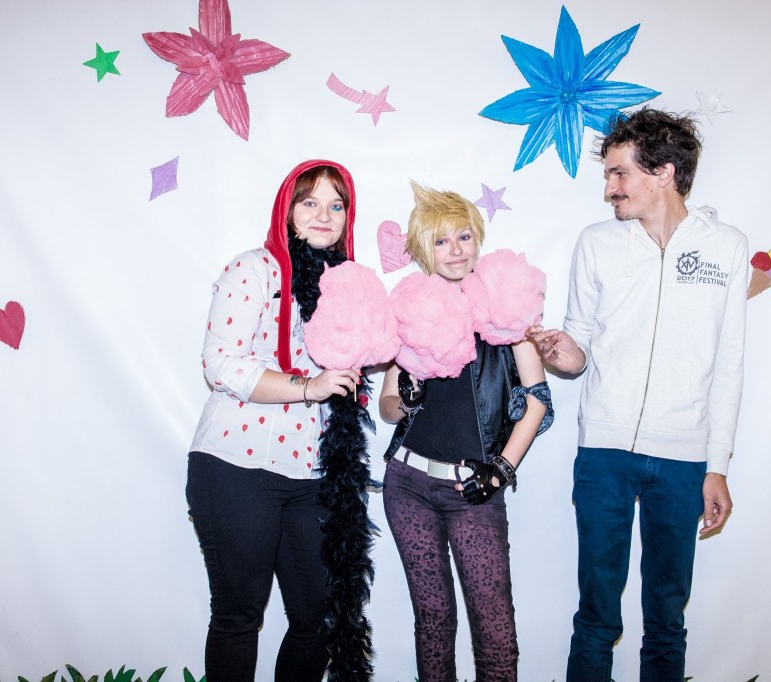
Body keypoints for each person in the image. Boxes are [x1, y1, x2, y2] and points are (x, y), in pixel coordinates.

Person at [527, 108, 749, 682]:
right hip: (603, 455)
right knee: (596, 618)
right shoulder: (596, 243)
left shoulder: (726, 247)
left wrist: (717, 466)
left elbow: (729, 365)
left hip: (684, 459)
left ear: (664, 172)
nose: (609, 188)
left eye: (619, 173)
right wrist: (558, 351)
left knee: (666, 620)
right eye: (609, 175)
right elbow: (578, 349)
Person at [185, 160, 364, 682]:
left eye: (336, 205)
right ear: (287, 210)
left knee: (320, 617)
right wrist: (309, 386)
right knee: (239, 616)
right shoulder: (254, 269)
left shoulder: (345, 289)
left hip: (310, 475)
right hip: (236, 467)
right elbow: (220, 364)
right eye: (310, 202)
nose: (324, 215)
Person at [379, 182, 553, 682]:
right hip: (408, 485)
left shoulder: (505, 307)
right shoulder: (409, 309)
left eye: (463, 236)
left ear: (478, 239)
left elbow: (538, 399)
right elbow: (388, 406)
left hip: (474, 489)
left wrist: (501, 469)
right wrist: (406, 397)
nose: (455, 250)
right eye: (440, 240)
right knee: (433, 622)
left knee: (495, 631)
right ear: (423, 249)